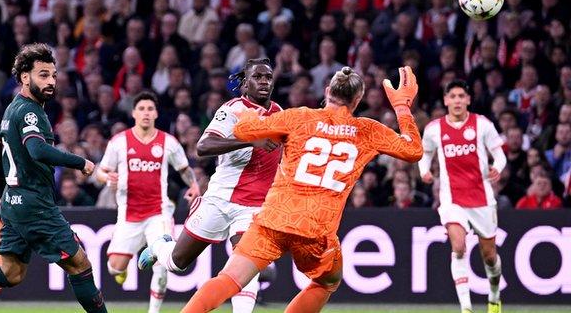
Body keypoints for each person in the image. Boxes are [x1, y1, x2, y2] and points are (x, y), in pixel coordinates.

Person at [178, 66, 423, 312]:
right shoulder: (368, 131)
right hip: (315, 231)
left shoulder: (299, 117)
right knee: (328, 281)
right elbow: (414, 151)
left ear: (327, 91)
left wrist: (247, 115)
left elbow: (244, 131)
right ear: (358, 100)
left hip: (273, 221)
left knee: (229, 277)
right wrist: (402, 108)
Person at [0, 43, 107, 312]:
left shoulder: (11, 109)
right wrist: (81, 162)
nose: (51, 82)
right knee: (80, 264)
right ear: (25, 77)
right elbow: (37, 150)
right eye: (43, 75)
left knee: (10, 274)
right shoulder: (29, 111)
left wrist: (5, 193)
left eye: (53, 75)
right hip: (35, 205)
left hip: (15, 203)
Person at [138, 58, 282, 312]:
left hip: (254, 207)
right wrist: (250, 141)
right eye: (257, 77)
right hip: (219, 200)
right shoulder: (232, 110)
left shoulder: (280, 114)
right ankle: (160, 246)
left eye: (268, 77)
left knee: (246, 264)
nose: (264, 82)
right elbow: (204, 146)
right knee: (176, 262)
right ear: (245, 83)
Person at [95, 90, 199, 313]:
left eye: (150, 109)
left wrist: (194, 184)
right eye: (141, 108)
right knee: (114, 269)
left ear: (156, 114)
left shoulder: (168, 142)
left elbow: (184, 169)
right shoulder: (119, 142)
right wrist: (107, 177)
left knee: (162, 263)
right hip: (129, 215)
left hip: (158, 213)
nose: (146, 113)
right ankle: (122, 268)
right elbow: (100, 172)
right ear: (133, 113)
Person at [418, 80, 507, 313]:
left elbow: (499, 154)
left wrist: (497, 166)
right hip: (451, 199)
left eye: (461, 96)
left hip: (481, 198)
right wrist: (423, 170)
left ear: (468, 99)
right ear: (446, 100)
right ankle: (466, 308)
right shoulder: (434, 129)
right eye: (453, 96)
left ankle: (495, 296)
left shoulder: (482, 125)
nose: (457, 100)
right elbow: (424, 154)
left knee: (489, 256)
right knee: (458, 246)